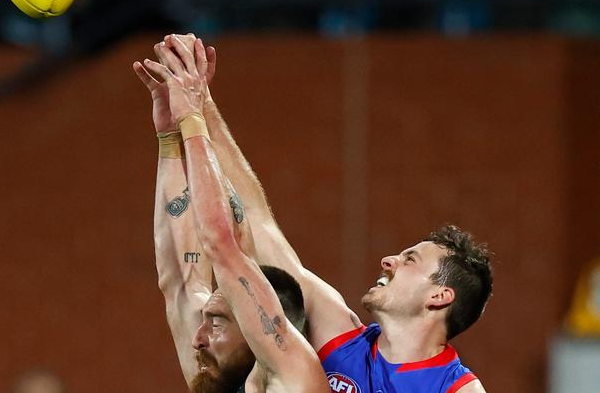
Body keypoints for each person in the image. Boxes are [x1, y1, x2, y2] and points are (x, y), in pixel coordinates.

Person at [137, 34, 492, 392]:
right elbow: (258, 226)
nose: (388, 261)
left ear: (440, 296)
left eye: (410, 260)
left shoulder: (457, 387)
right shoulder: (340, 332)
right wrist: (202, 103)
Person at [133, 35, 329, 392]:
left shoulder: (297, 380)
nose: (198, 338)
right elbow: (178, 279)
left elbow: (227, 245)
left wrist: (194, 118)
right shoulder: (215, 372)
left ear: (261, 330)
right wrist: (169, 139)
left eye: (218, 323)